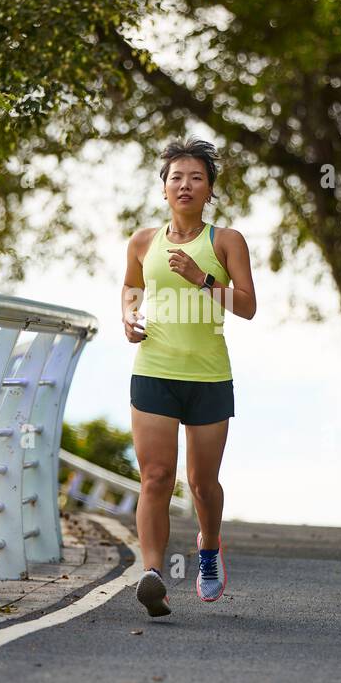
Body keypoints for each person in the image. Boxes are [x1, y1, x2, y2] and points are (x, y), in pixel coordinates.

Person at [120, 138, 257, 617]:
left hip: (209, 377)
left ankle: (209, 548)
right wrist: (128, 317)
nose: (185, 185)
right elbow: (131, 286)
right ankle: (152, 574)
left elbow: (247, 307)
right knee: (155, 476)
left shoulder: (226, 241)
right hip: (154, 371)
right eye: (176, 177)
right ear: (163, 189)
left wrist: (203, 278)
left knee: (203, 483)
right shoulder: (142, 242)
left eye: (196, 177)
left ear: (210, 190)